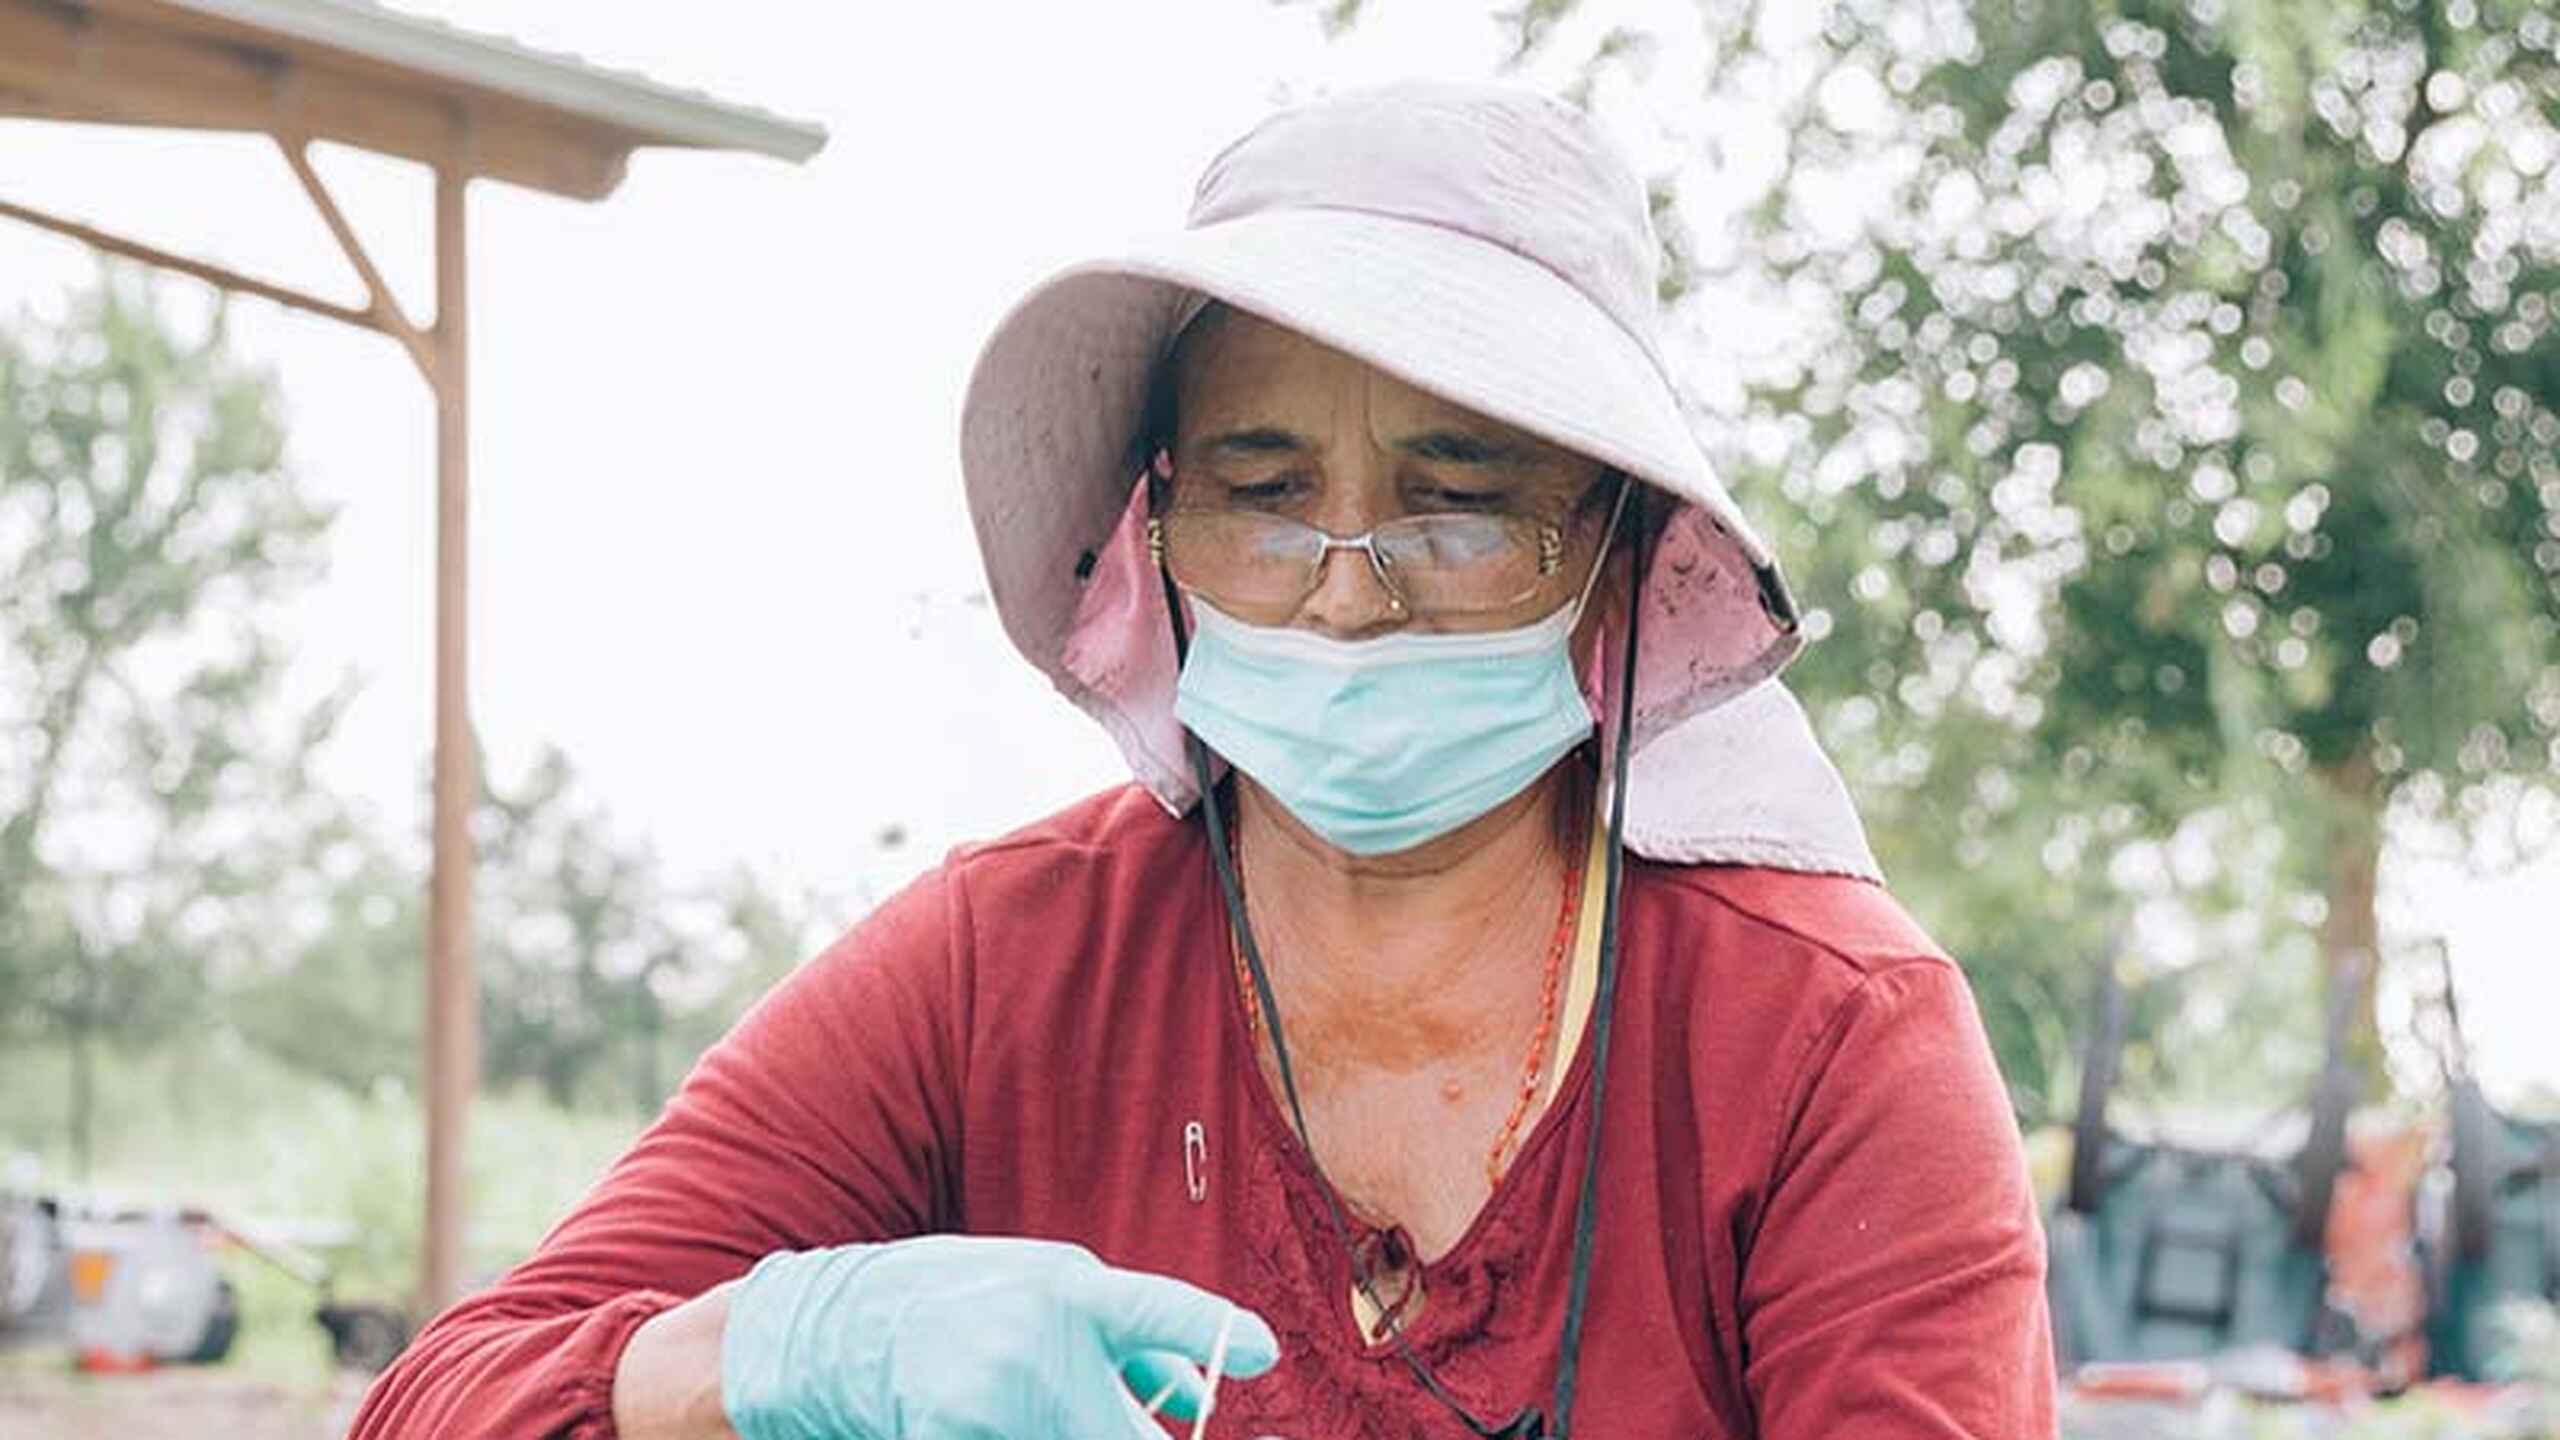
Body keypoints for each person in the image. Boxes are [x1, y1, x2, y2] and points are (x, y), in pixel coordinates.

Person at [348, 81, 2056, 1440]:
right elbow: (437, 1401)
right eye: (1262, 486)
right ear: (1154, 536)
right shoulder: (997, 971)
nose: (1346, 583)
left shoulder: (1827, 1041)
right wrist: (781, 1352)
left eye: (1462, 501)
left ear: (1619, 551)